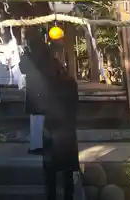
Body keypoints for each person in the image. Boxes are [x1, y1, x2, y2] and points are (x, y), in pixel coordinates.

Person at [41, 53, 80, 200]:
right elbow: (75, 107)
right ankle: (68, 197)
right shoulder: (71, 83)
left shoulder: (48, 85)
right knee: (67, 171)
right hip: (68, 131)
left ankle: (51, 196)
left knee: (50, 172)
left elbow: (44, 107)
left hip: (52, 130)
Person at [19, 34, 49, 154]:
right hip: (45, 89)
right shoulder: (46, 56)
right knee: (42, 120)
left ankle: (37, 146)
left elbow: (22, 69)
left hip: (34, 89)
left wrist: (24, 55)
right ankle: (43, 145)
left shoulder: (30, 56)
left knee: (36, 120)